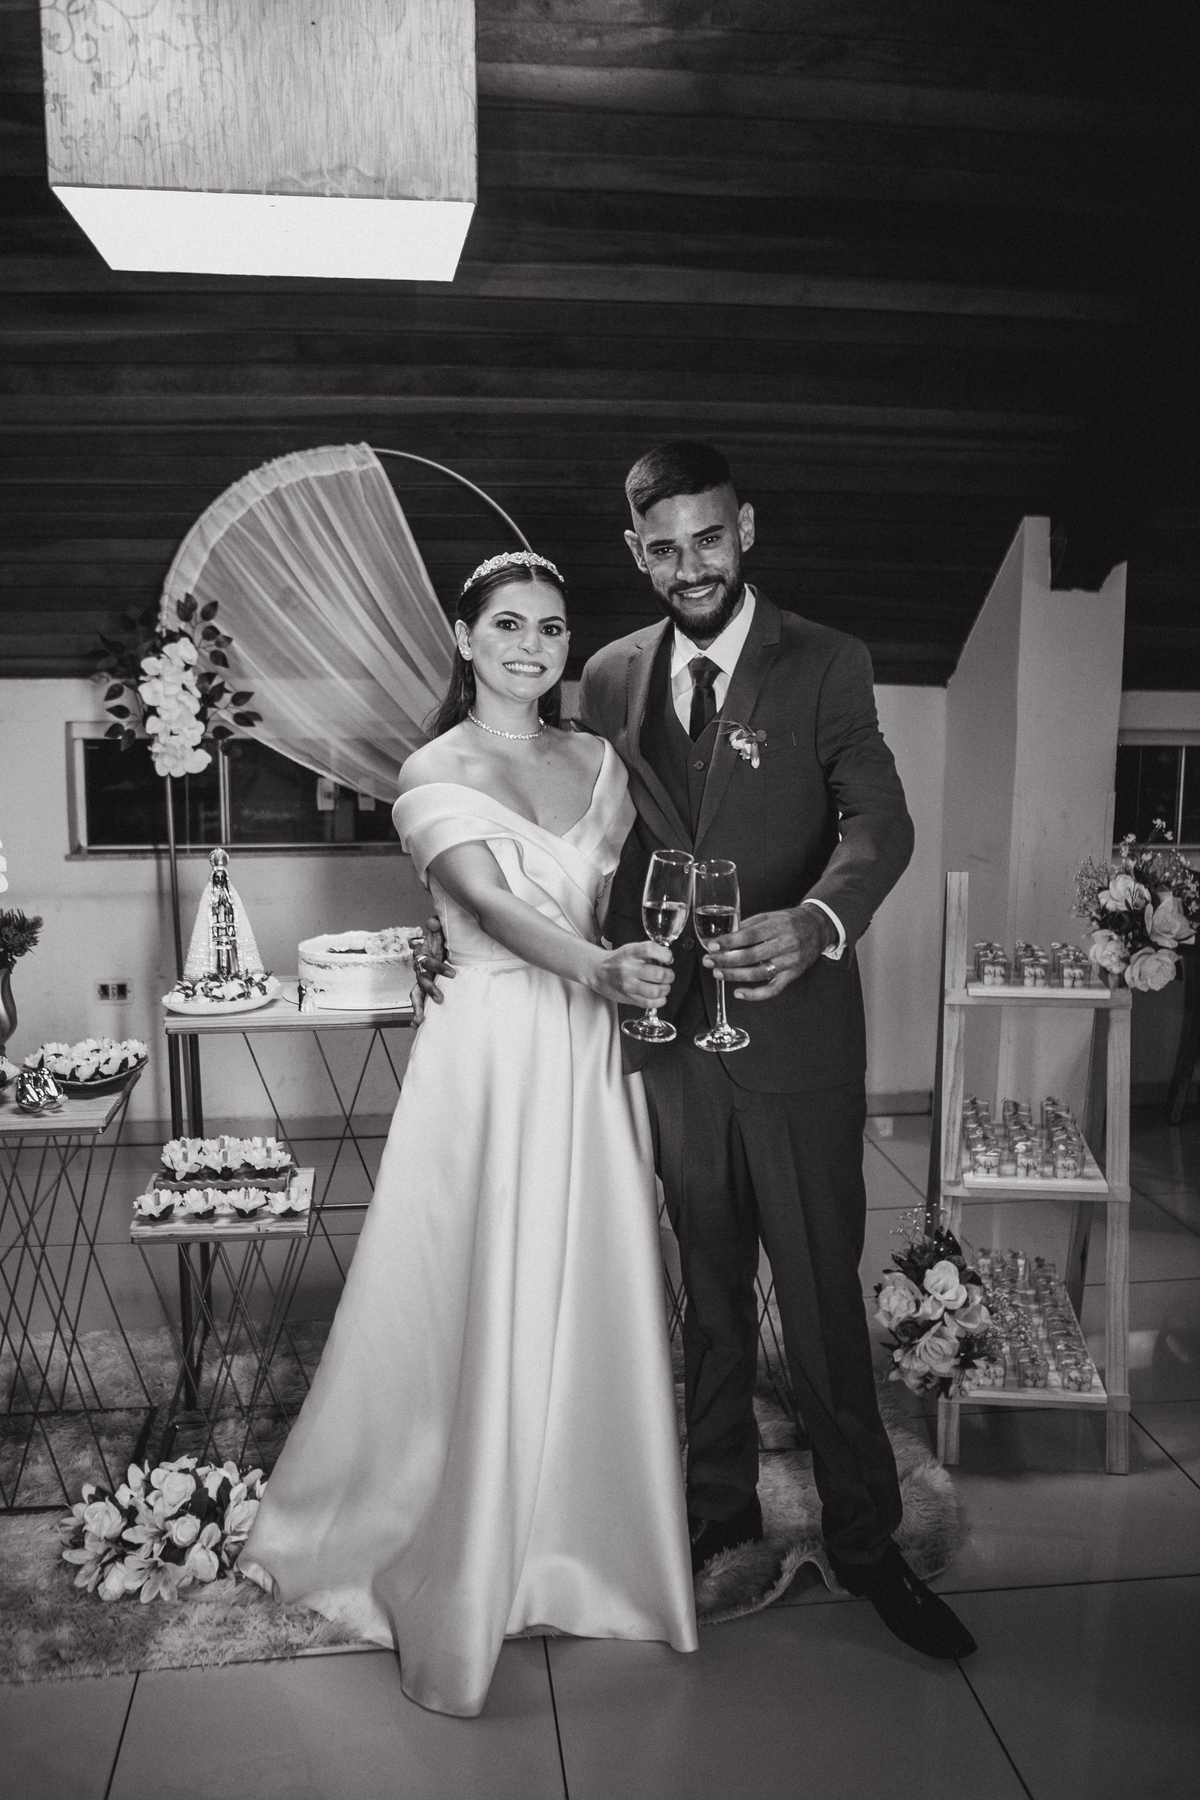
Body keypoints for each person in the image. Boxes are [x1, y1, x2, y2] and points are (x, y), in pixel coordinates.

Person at [421, 443, 976, 1662]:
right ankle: (719, 1516)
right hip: (670, 1040)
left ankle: (870, 1542)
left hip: (796, 1040)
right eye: (664, 549)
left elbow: (879, 819)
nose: (691, 567)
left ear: (746, 530)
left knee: (820, 1304)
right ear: (637, 554)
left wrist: (819, 920)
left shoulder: (827, 661)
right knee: (707, 1296)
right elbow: (583, 831)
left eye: (709, 539)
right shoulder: (610, 672)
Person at [241, 550, 698, 1717]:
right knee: (474, 1278)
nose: (532, 646)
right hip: (491, 1047)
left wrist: (646, 958)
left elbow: (649, 882)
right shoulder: (431, 769)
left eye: (550, 627)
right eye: (508, 624)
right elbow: (491, 906)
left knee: (590, 1271)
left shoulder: (602, 761)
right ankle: (451, 1522)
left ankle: (587, 1532)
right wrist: (600, 967)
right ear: (463, 636)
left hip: (589, 1048)